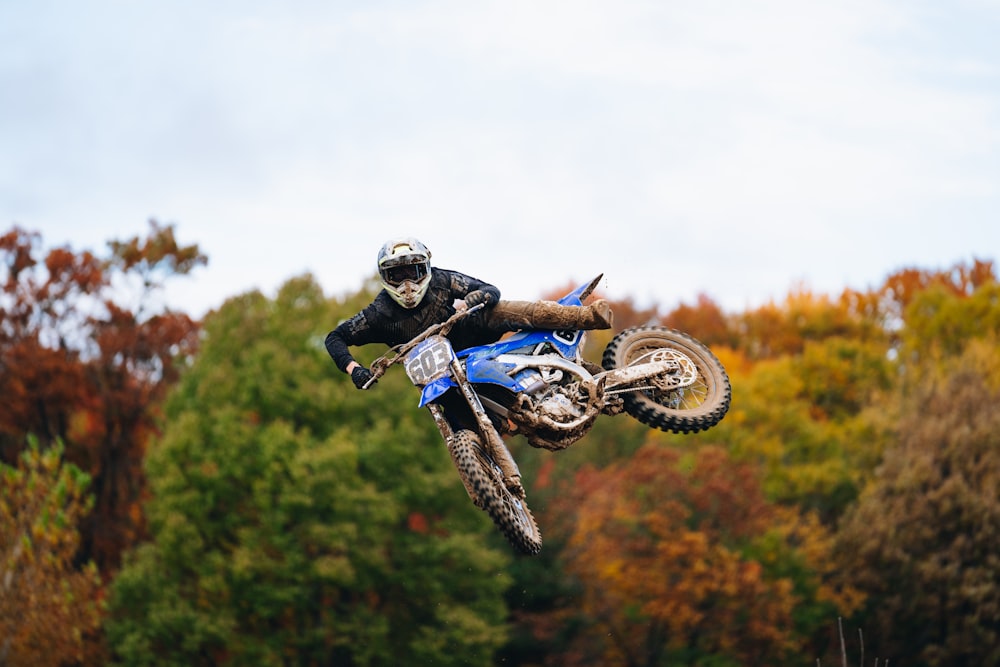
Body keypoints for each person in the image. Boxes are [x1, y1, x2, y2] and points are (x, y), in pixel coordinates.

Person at [325, 237, 613, 392]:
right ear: (385, 278)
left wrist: (475, 298)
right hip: (444, 371)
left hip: (476, 329)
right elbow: (335, 337)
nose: (407, 284)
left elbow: (490, 289)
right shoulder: (379, 313)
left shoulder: (443, 280)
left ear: (424, 269)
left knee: (507, 309)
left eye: (412, 272)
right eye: (397, 275)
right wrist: (354, 369)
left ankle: (587, 317)